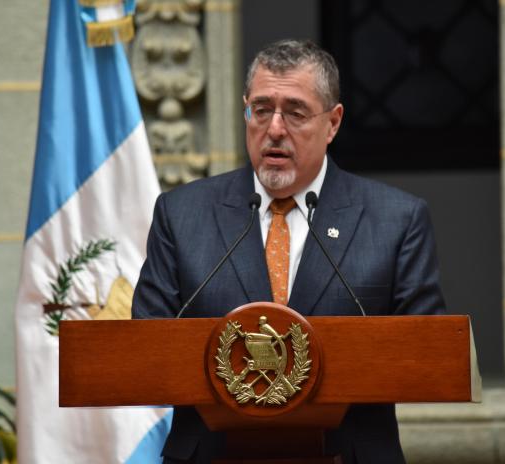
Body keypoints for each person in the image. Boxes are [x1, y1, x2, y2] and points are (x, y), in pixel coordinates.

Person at [133, 39, 446, 464]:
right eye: (261, 110)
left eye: (295, 112)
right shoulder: (182, 215)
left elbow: (426, 355)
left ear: (333, 123)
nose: (274, 129)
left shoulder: (395, 220)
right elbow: (143, 349)